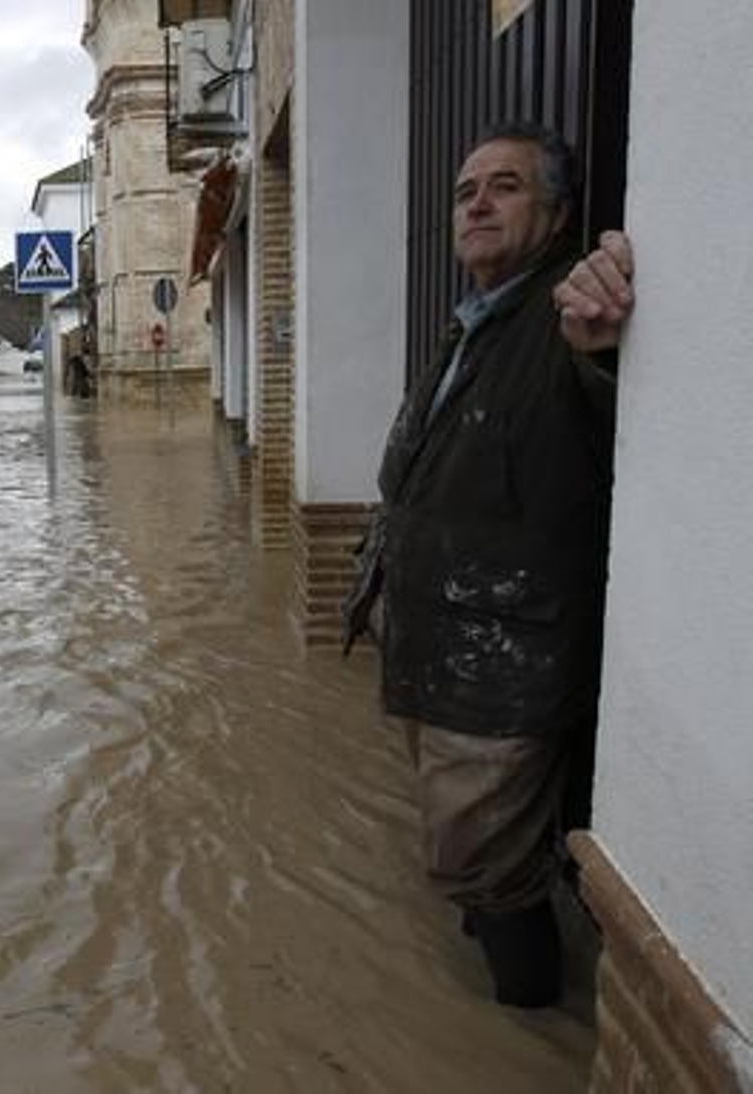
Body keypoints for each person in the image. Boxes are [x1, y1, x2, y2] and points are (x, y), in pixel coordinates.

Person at [342, 123, 635, 1008]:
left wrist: (602, 328)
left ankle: (525, 1015)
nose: (476, 202)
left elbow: (605, 382)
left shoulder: (564, 314)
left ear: (556, 215)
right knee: (469, 847)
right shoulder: (472, 324)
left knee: (476, 860)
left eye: (505, 186)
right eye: (467, 188)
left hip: (505, 665)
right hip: (433, 640)